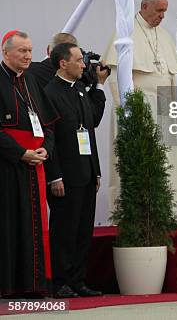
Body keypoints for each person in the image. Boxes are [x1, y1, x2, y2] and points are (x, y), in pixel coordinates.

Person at [105, 0, 177, 222]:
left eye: (165, 11)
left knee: (166, 160)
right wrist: (127, 110)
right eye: (159, 10)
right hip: (137, 106)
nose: (162, 15)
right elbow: (114, 76)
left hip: (162, 107)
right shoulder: (124, 34)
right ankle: (135, 215)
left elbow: (172, 75)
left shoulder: (164, 35)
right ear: (144, 7)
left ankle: (168, 212)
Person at [45, 42, 108, 298]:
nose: (84, 65)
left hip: (86, 172)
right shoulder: (49, 93)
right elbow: (50, 138)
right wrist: (55, 175)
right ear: (63, 63)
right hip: (65, 176)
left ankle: (78, 280)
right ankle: (61, 282)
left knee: (83, 230)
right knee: (64, 231)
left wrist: (96, 171)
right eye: (79, 60)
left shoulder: (81, 89)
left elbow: (92, 123)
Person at [0, 30, 58, 298]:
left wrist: (44, 149)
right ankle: (9, 286)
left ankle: (33, 284)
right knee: (9, 225)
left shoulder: (31, 82)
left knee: (33, 224)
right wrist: (21, 153)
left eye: (30, 51)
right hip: (7, 167)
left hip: (34, 165)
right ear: (5, 52)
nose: (27, 56)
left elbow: (47, 126)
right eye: (22, 51)